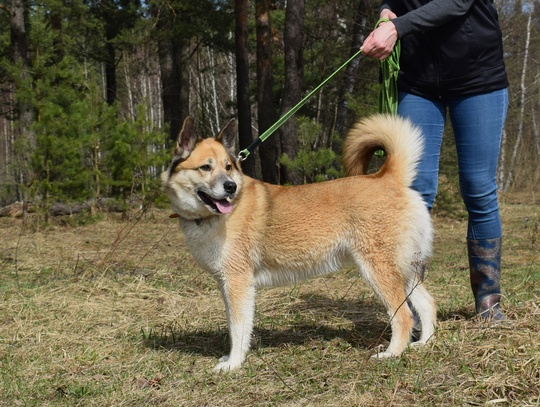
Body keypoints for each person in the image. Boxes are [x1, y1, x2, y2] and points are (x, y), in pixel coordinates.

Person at [361, 0, 508, 320]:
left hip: (477, 74)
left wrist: (397, 28)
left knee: (478, 187)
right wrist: (387, 11)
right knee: (413, 189)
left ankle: (488, 301)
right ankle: (410, 303)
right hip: (417, 80)